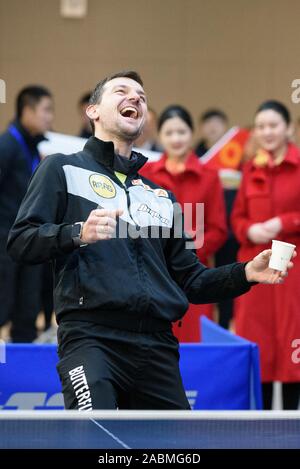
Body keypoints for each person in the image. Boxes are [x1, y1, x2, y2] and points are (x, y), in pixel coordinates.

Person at [7, 71, 294, 410]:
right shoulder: (61, 169)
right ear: (93, 111)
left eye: (141, 96)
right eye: (122, 91)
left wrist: (246, 272)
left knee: (174, 454)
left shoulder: (162, 198)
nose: (136, 99)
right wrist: (76, 233)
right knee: (95, 440)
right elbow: (21, 241)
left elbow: (192, 279)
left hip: (157, 346)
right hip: (91, 339)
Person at [231, 100, 300, 409]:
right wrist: (249, 230)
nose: (267, 132)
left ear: (288, 129)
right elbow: (237, 218)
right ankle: (257, 428)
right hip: (256, 270)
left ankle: (290, 421)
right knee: (258, 342)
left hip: (293, 272)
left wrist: (284, 222)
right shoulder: (250, 168)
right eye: (260, 127)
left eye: (273, 125)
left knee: (291, 344)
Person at [140, 105, 227, 341]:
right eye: (169, 133)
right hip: (156, 273)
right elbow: (139, 224)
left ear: (191, 133)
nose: (176, 139)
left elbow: (218, 229)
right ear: (159, 136)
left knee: (195, 342)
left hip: (195, 273)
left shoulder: (209, 176)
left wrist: (186, 252)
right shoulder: (146, 174)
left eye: (182, 132)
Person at [0, 85, 54, 342]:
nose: (50, 117)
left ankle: (22, 369)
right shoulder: (6, 146)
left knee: (27, 310)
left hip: (27, 244)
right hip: (4, 246)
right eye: (46, 110)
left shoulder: (34, 149)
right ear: (27, 111)